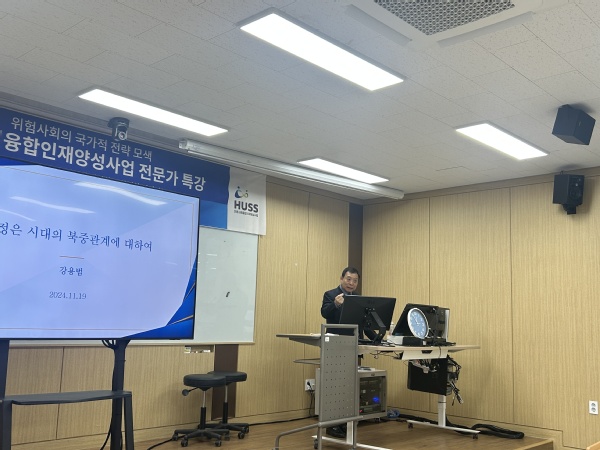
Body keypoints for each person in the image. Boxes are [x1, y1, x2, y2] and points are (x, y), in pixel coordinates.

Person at [320, 266, 360, 439]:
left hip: (351, 345)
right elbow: (324, 313)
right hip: (335, 345)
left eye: (355, 281)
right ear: (341, 278)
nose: (351, 283)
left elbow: (362, 321)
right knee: (334, 385)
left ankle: (345, 422)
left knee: (348, 384)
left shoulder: (358, 298)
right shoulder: (330, 295)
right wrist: (336, 304)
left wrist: (377, 336)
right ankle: (332, 425)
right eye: (348, 279)